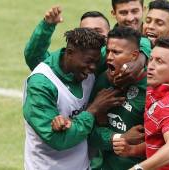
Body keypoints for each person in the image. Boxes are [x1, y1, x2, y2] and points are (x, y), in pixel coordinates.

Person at [23, 27, 125, 170]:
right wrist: (93, 110)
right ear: (70, 53)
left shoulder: (87, 65)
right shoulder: (41, 85)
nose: (93, 67)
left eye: (96, 62)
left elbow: (131, 45)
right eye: (88, 62)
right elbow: (59, 140)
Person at [52, 26, 148, 170]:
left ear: (135, 56)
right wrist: (119, 138)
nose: (109, 57)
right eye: (108, 51)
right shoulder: (103, 80)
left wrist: (134, 147)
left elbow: (160, 145)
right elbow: (91, 132)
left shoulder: (151, 89)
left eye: (116, 52)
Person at [112, 38, 169, 170]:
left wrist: (138, 168)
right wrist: (133, 150)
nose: (151, 66)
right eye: (151, 59)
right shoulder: (163, 87)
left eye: (159, 62)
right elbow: (160, 141)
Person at [24, 6, 110, 71]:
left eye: (98, 31)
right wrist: (46, 27)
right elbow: (35, 57)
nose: (93, 35)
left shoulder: (113, 57)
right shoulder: (67, 62)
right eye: (86, 31)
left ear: (110, 34)